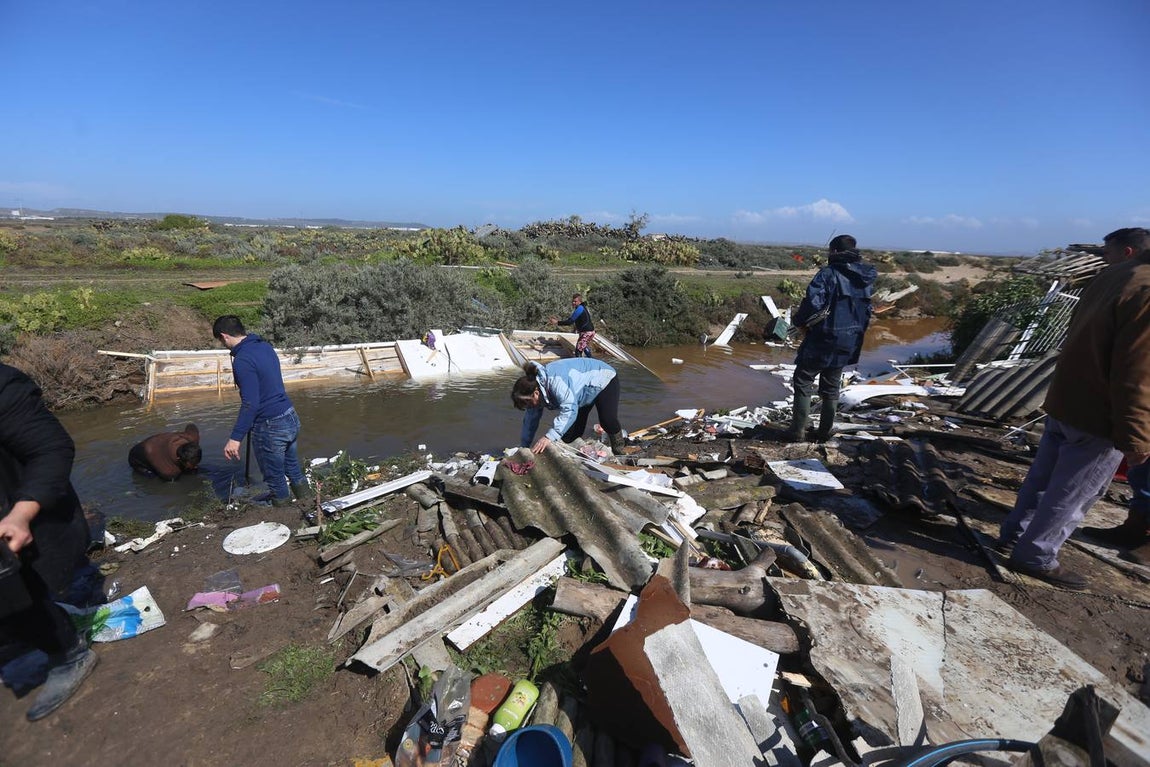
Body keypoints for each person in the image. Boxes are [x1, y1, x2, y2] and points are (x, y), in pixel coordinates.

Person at [996, 227, 1150, 588]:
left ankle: (1013, 535)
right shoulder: (1145, 289)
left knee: (1042, 480)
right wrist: (1136, 435)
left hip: (1067, 400)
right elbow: (1137, 372)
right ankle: (1035, 555)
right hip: (1099, 415)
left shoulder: (1114, 274)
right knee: (1073, 493)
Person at [0, 364, 98, 721]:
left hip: (21, 516)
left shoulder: (4, 387)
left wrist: (21, 514)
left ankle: (68, 653)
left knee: (22, 596)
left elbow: (52, 448)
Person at [782, 234, 876, 442]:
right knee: (832, 387)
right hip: (850, 339)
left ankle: (797, 432)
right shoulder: (865, 278)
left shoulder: (828, 274)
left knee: (804, 380)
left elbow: (812, 303)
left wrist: (799, 322)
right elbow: (867, 311)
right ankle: (824, 433)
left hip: (823, 337)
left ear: (833, 251)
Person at [212, 315, 312, 507]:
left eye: (220, 340)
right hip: (289, 415)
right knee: (292, 467)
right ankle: (307, 503)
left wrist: (235, 438)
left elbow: (251, 403)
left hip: (270, 425)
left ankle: (285, 515)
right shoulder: (265, 346)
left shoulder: (242, 360)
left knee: (275, 477)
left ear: (224, 336)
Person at [510, 358, 625, 455]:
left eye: (528, 403)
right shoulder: (535, 394)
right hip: (580, 392)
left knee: (607, 420)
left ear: (535, 393)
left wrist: (548, 437)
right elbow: (530, 423)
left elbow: (569, 410)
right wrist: (524, 447)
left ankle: (619, 450)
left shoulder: (556, 382)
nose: (529, 407)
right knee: (570, 435)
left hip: (603, 378)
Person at [128, 423, 202, 481]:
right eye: (192, 465)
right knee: (154, 479)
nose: (196, 466)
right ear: (179, 459)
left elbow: (191, 426)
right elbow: (171, 477)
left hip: (157, 444)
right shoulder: (169, 471)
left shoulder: (191, 438)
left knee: (193, 471)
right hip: (137, 460)